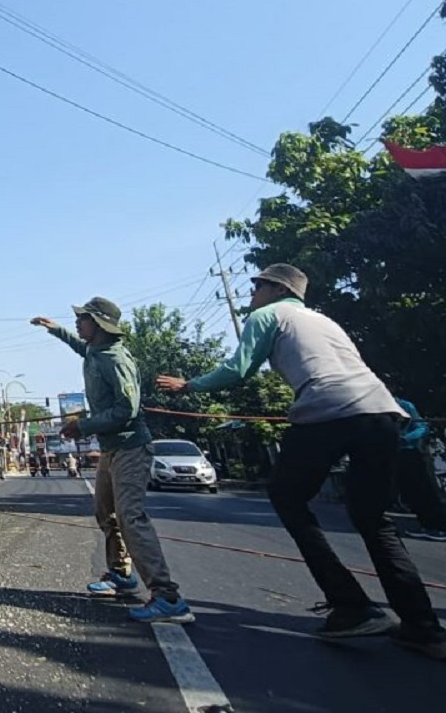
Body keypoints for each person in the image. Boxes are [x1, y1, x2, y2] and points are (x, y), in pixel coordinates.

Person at [157, 263, 445, 660]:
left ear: (276, 288)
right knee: (372, 519)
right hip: (381, 412)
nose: (251, 294)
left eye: (256, 286)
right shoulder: (322, 320)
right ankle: (423, 626)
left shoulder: (267, 315)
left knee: (286, 496)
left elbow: (238, 370)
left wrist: (189, 385)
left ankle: (351, 606)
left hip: (328, 408)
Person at [32, 298, 194, 624]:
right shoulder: (95, 350)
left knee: (131, 516)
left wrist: (83, 426)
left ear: (100, 324)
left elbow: (127, 410)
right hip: (110, 449)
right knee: (105, 512)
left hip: (131, 447)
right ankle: (121, 574)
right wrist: (57, 330)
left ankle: (167, 597)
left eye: (83, 319)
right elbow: (81, 347)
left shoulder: (116, 359)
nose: (78, 322)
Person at [393, 397, 446, 542]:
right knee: (408, 492)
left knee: (422, 488)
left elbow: (422, 427)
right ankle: (425, 523)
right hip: (389, 454)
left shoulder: (404, 405)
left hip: (408, 452)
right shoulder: (374, 405)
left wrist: (405, 438)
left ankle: (438, 526)